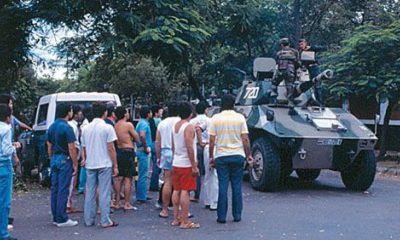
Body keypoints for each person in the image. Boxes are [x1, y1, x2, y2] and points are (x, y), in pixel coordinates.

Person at [208, 94, 253, 223]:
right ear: (234, 104)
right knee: (237, 186)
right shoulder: (240, 118)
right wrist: (248, 155)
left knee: (222, 185)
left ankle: (221, 216)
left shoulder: (215, 118)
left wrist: (211, 156)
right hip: (238, 155)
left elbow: (212, 141)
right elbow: (245, 138)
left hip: (221, 156)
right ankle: (237, 215)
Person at [81, 102, 119, 228]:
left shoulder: (86, 128)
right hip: (104, 163)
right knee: (104, 192)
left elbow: (84, 148)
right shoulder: (107, 128)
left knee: (90, 192)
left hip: (90, 163)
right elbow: (111, 148)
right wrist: (115, 165)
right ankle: (105, 220)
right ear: (105, 113)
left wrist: (85, 159)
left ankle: (88, 220)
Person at [46, 103, 79, 227]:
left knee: (55, 188)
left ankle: (56, 216)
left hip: (54, 157)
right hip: (65, 159)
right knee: (63, 189)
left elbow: (49, 145)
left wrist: (51, 158)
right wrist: (75, 164)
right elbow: (72, 147)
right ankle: (62, 218)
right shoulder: (67, 127)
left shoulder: (52, 126)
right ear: (68, 112)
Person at [171, 101, 200, 229]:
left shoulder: (175, 126)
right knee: (185, 191)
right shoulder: (188, 127)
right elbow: (189, 146)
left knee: (176, 190)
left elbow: (173, 146)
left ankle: (176, 218)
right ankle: (185, 221)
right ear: (190, 113)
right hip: (186, 163)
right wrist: (194, 165)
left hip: (176, 161)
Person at [190, 101, 218, 210]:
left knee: (197, 172)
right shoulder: (209, 120)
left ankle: (197, 194)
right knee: (210, 173)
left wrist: (199, 141)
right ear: (206, 110)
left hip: (195, 147)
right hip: (208, 147)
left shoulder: (192, 121)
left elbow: (197, 129)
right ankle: (211, 201)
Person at [156, 102, 180, 218]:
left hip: (165, 152)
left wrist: (158, 156)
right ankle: (179, 209)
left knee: (167, 181)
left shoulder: (162, 123)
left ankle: (164, 209)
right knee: (180, 182)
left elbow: (158, 142)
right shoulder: (181, 122)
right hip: (179, 153)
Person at [0, 104, 20, 240]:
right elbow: (6, 150)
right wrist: (15, 146)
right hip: (3, 165)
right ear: (8, 117)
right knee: (4, 201)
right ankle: (3, 233)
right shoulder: (6, 129)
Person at [113, 107, 139, 210]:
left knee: (120, 178)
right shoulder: (128, 125)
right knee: (128, 178)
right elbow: (136, 137)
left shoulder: (115, 126)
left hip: (119, 151)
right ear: (124, 114)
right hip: (128, 151)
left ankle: (117, 202)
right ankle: (127, 203)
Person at [271, 38, 300, 105]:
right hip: (290, 71)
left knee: (274, 84)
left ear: (281, 45)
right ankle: (290, 102)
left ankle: (273, 100)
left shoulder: (279, 53)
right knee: (289, 86)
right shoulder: (294, 52)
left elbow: (277, 62)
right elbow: (298, 62)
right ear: (289, 44)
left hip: (281, 71)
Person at [298, 38, 327, 103]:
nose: (301, 46)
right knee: (309, 85)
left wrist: (313, 47)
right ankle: (309, 100)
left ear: (305, 43)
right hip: (307, 70)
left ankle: (320, 102)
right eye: (299, 45)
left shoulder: (312, 48)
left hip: (314, 68)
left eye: (302, 44)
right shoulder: (301, 52)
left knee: (317, 85)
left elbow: (323, 48)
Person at [67, 105, 83, 213]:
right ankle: (68, 205)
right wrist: (75, 161)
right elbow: (73, 145)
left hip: (71, 155)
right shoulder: (72, 127)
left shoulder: (73, 125)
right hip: (72, 156)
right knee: (71, 182)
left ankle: (69, 203)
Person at [135, 106, 153, 203]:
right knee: (143, 174)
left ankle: (141, 194)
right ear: (147, 114)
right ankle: (141, 196)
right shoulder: (144, 124)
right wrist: (145, 147)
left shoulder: (139, 123)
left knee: (140, 174)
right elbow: (142, 135)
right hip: (143, 151)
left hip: (139, 149)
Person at [149, 105, 163, 191]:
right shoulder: (158, 121)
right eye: (160, 111)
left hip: (151, 143)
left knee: (155, 164)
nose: (162, 113)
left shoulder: (150, 121)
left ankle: (153, 183)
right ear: (156, 113)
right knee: (157, 165)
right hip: (156, 143)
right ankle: (154, 184)